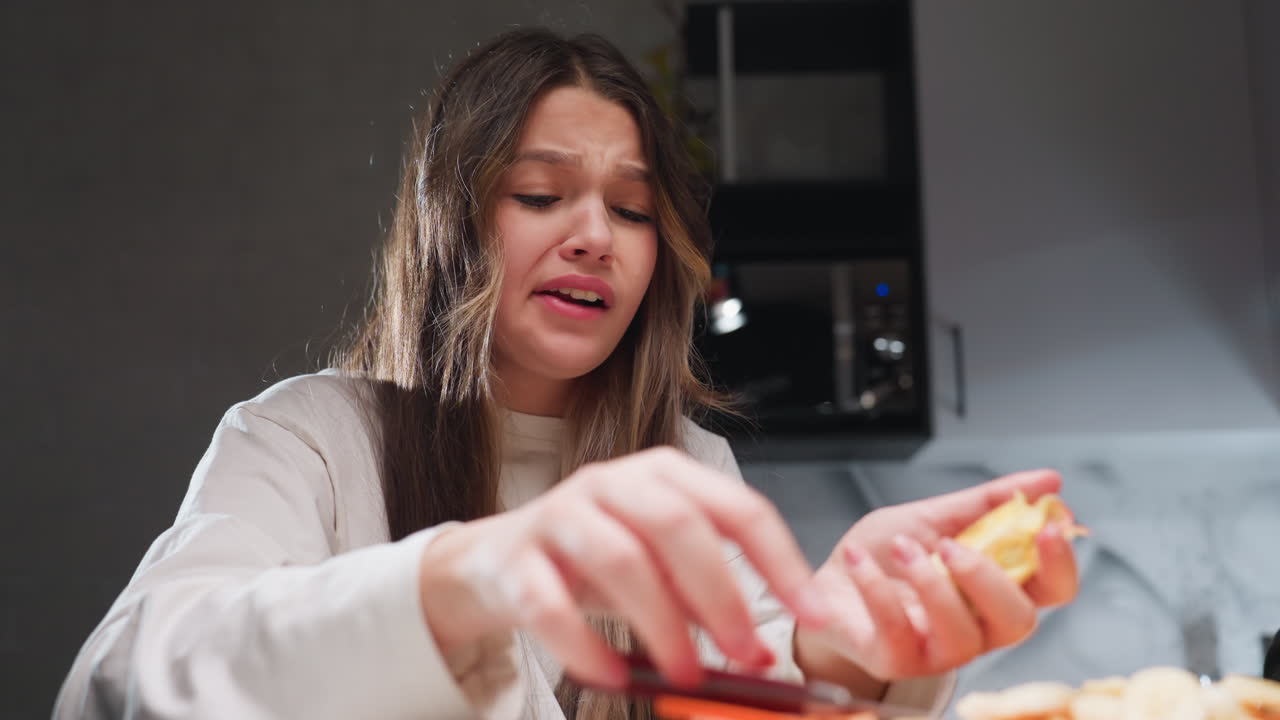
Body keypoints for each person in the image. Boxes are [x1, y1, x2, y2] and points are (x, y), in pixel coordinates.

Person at [53, 28, 1079, 720]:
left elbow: (743, 681)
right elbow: (130, 673)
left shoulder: (685, 458)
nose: (596, 236)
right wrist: (469, 575)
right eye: (541, 194)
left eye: (633, 211)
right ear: (452, 225)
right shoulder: (310, 435)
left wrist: (847, 649)